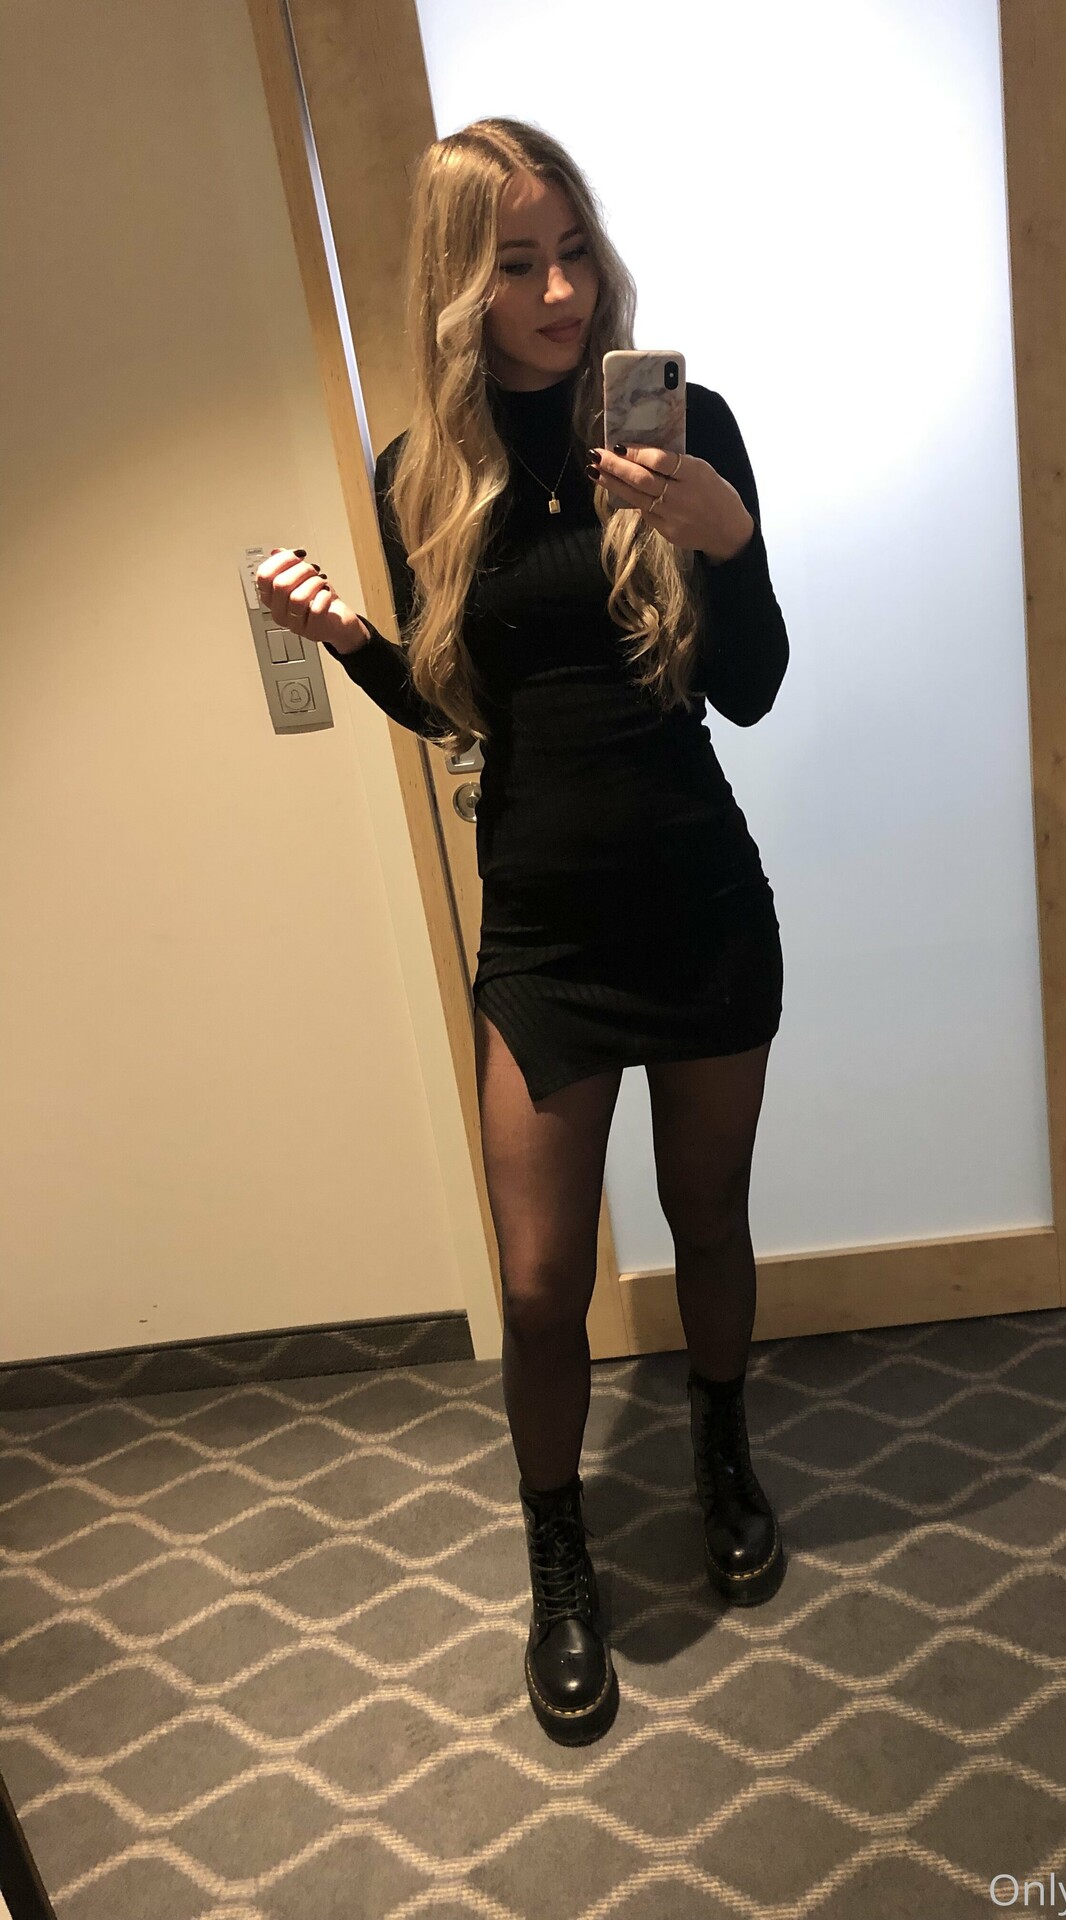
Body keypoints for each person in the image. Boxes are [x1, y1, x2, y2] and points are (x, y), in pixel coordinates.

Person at [255, 118, 790, 1747]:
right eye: (516, 266)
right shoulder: (422, 476)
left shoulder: (688, 429)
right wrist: (350, 640)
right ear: (458, 286)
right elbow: (455, 710)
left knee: (709, 1217)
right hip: (547, 934)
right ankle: (557, 1557)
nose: (561, 293)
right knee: (544, 1282)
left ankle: (721, 1454)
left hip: (700, 899)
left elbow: (753, 689)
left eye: (573, 253)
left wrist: (729, 542)